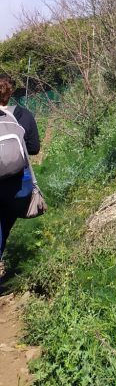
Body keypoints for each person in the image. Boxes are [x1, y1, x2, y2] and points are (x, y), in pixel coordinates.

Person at [0, 73, 41, 268]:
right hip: (17, 186)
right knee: (4, 224)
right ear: (10, 91)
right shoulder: (23, 115)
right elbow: (34, 148)